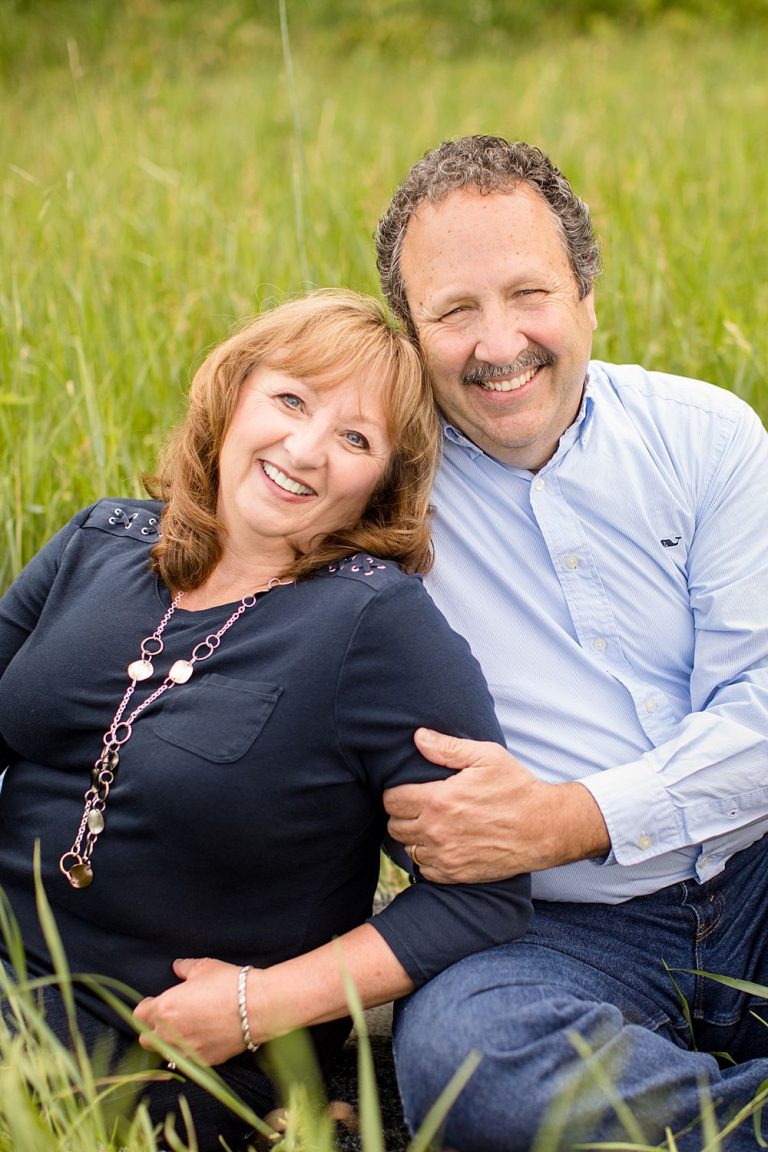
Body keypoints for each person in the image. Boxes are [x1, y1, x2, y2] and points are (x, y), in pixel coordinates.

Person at [0, 288, 532, 1149]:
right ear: (234, 393)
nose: (307, 449)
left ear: (382, 484)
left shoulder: (376, 625)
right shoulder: (99, 540)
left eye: (356, 439)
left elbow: (487, 898)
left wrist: (261, 1005)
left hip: (165, 1040)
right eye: (290, 399)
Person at [374, 136, 768, 1151]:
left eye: (529, 293)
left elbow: (762, 708)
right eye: (454, 311)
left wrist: (572, 816)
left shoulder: (708, 438)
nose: (498, 343)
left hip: (756, 872)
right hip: (549, 933)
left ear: (588, 295)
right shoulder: (377, 500)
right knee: (467, 1058)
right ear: (412, 333)